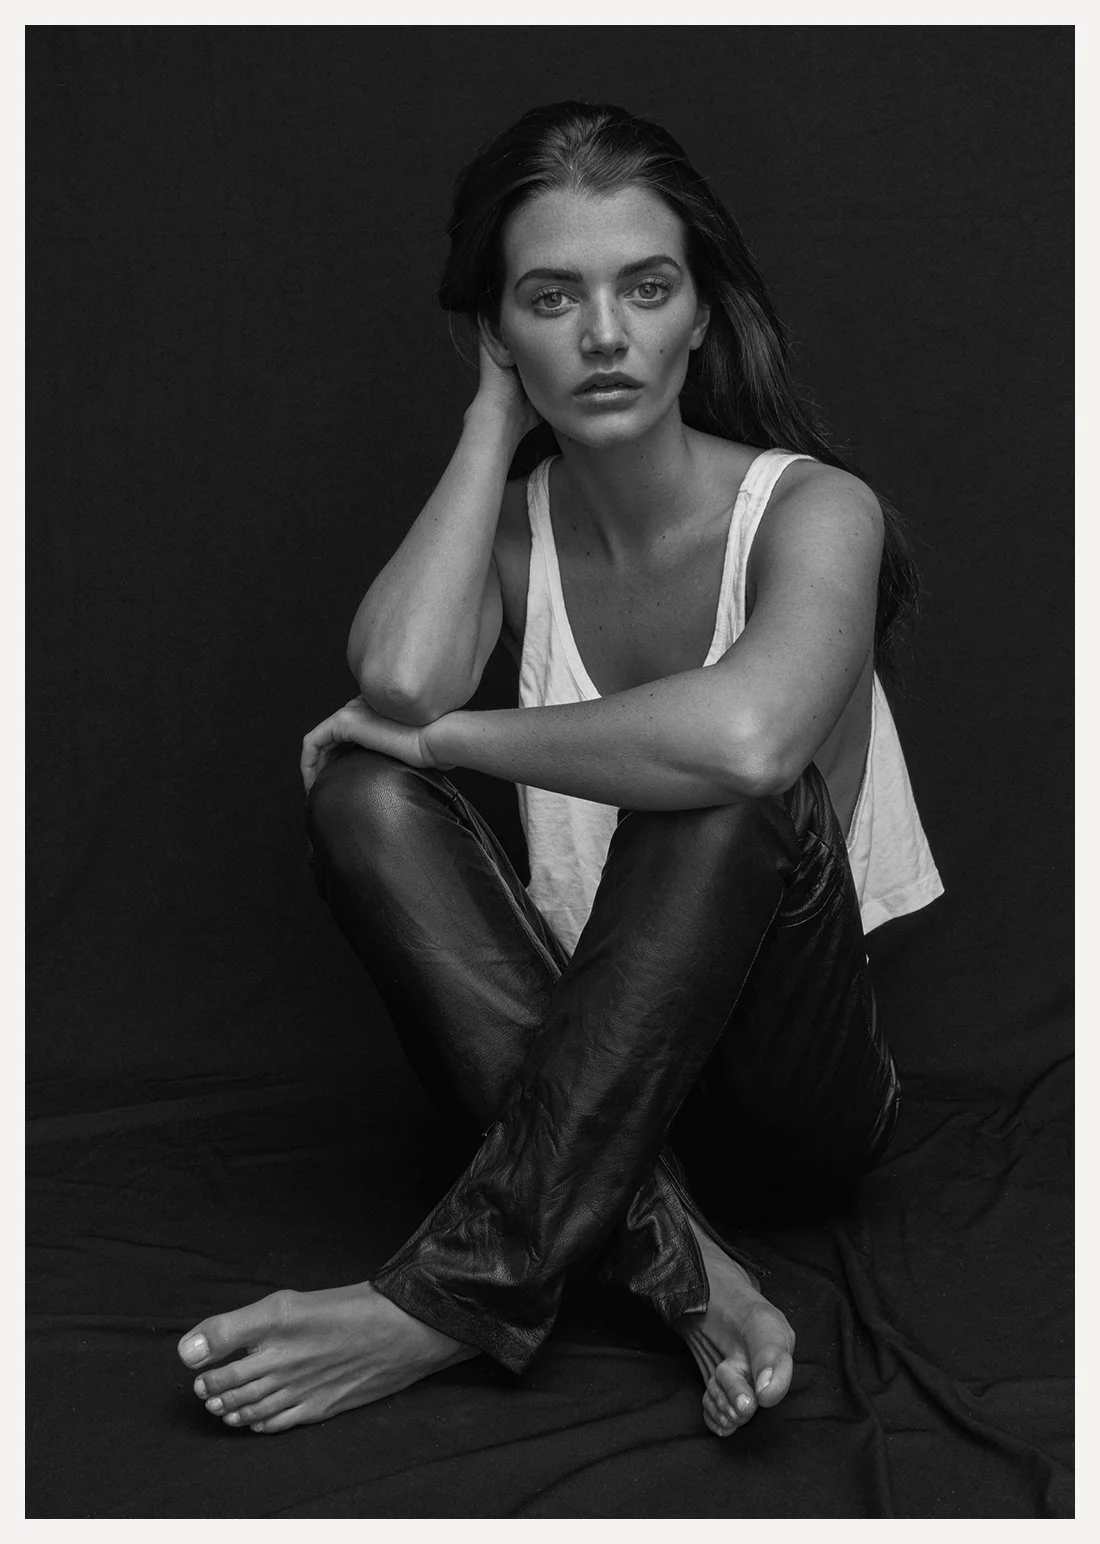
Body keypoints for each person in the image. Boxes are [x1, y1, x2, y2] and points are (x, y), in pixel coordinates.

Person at [176, 101, 943, 1438]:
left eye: (647, 289)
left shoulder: (819, 510)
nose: (603, 336)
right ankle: (686, 1265)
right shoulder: (516, 535)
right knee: (360, 790)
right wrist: (488, 420)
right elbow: (398, 684)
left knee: (717, 787)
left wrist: (459, 740)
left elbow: (748, 740)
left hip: (789, 1105)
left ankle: (453, 1296)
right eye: (549, 298)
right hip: (585, 1088)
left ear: (700, 314)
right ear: (495, 328)